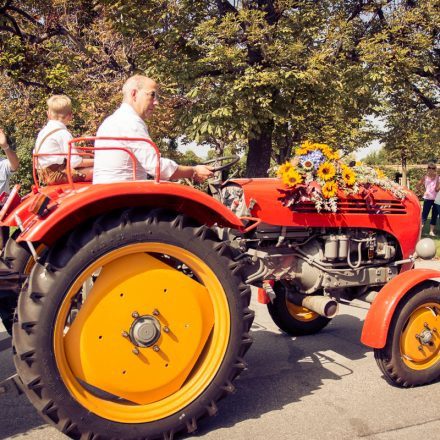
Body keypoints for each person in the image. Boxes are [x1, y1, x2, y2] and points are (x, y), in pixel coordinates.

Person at [93, 75, 213, 184]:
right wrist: (193, 171)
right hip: (124, 196)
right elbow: (156, 167)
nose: (156, 102)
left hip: (106, 191)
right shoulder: (131, 122)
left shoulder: (110, 121)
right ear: (134, 94)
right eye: (152, 95)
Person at [34, 95, 94, 185]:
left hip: (44, 174)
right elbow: (75, 162)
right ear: (70, 116)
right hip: (58, 175)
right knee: (101, 169)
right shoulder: (63, 133)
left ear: (48, 114)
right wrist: (98, 160)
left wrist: (83, 153)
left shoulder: (43, 132)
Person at [0, 128, 19, 247]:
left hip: (1, 211)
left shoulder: (2, 163)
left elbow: (15, 165)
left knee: (4, 248)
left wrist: (5, 146)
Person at [417, 162, 439, 236]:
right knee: (424, 215)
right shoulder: (425, 177)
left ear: (435, 169)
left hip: (436, 199)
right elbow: (418, 186)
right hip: (427, 198)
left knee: (434, 215)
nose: (431, 169)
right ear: (427, 169)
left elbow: (436, 189)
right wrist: (423, 192)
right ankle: (420, 231)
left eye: (433, 168)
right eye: (429, 167)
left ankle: (431, 231)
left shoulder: (437, 177)